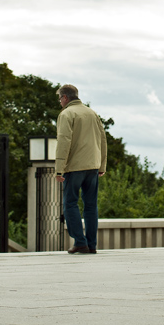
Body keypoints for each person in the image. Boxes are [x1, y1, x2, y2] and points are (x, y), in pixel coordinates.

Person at [55, 84, 107, 255]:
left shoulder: (66, 114)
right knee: (91, 205)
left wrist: (59, 169)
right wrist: (102, 165)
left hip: (75, 167)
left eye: (59, 98)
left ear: (65, 97)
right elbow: (102, 139)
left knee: (70, 203)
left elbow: (64, 141)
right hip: (93, 166)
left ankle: (80, 242)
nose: (59, 101)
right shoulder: (92, 113)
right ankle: (92, 244)